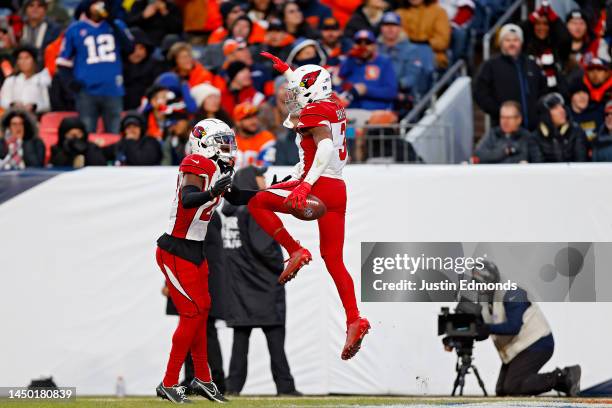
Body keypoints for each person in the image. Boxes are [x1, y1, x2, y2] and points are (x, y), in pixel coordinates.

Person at [248, 52, 370, 360]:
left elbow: (325, 146)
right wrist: (290, 72)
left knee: (257, 201)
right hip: (338, 189)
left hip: (318, 185)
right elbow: (312, 98)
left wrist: (305, 184)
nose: (293, 97)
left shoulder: (314, 111)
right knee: (334, 259)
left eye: (298, 89)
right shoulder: (334, 105)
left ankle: (294, 249)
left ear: (312, 89)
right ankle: (354, 318)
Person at [155, 118, 258, 403]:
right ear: (205, 143)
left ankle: (202, 378)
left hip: (194, 251)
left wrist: (270, 193)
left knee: (202, 312)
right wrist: (212, 191)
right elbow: (188, 198)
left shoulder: (220, 167)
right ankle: (168, 382)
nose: (229, 147)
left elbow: (236, 197)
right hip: (176, 250)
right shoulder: (195, 163)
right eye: (222, 141)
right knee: (191, 314)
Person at [221, 166, 300, 396]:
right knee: (276, 341)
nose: (264, 179)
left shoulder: (231, 211)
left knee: (240, 342)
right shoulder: (254, 209)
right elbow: (264, 247)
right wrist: (283, 263)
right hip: (264, 286)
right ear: (250, 180)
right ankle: (285, 387)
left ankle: (232, 388)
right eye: (261, 175)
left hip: (239, 287)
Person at [470, 261, 582, 397]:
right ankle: (564, 383)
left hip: (538, 342)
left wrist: (485, 328)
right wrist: (465, 333)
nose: (478, 286)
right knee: (503, 390)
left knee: (512, 387)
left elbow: (514, 327)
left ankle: (564, 376)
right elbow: (484, 331)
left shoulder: (513, 292)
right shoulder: (485, 300)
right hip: (517, 348)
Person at [56, 0, 134, 134]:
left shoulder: (117, 25)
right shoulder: (75, 29)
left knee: (114, 134)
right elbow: (62, 61)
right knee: (87, 133)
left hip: (113, 89)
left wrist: (112, 22)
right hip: (87, 91)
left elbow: (129, 47)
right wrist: (71, 83)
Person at [474, 24, 547, 130]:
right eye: (507, 40)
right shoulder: (491, 65)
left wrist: (538, 113)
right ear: (501, 43)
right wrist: (499, 111)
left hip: (533, 130)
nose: (512, 44)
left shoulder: (531, 64)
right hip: (503, 131)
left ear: (521, 43)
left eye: (515, 40)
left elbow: (543, 91)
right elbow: (479, 93)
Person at [377, 11, 434, 102]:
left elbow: (413, 77)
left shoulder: (411, 50)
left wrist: (393, 86)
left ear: (400, 28)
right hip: (375, 93)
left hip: (401, 95)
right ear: (381, 28)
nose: (390, 28)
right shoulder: (374, 48)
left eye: (394, 25)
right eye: (386, 25)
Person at [337, 30, 398, 111]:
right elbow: (338, 83)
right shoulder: (349, 61)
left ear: (374, 45)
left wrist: (367, 90)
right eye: (359, 42)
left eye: (367, 42)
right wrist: (350, 57)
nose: (363, 46)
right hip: (350, 110)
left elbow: (391, 92)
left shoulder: (384, 62)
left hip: (375, 111)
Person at [474, 101, 541, 163]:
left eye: (509, 118)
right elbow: (479, 155)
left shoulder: (527, 137)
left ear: (519, 119)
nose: (505, 121)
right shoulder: (493, 134)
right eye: (502, 117)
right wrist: (504, 151)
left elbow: (538, 161)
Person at [531, 92, 588, 162]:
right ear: (545, 114)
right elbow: (539, 166)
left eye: (562, 107)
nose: (562, 111)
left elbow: (581, 162)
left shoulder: (576, 131)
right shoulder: (536, 137)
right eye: (555, 108)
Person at [397, 0, 451, 69]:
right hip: (404, 54)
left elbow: (442, 41)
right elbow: (395, 39)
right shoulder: (399, 13)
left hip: (432, 54)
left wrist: (424, 43)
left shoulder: (439, 12)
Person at [0, 45, 51, 113]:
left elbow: (47, 105)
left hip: (34, 118)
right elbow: (3, 101)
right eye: (20, 58)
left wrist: (34, 107)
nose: (23, 61)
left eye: (27, 58)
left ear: (34, 60)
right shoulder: (11, 81)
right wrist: (12, 104)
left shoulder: (42, 80)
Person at [122, 28, 162, 111]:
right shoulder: (118, 68)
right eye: (133, 48)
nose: (137, 53)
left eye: (141, 48)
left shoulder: (156, 66)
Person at [233, 102, 276, 168]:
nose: (254, 121)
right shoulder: (228, 137)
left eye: (255, 116)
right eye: (248, 117)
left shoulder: (266, 137)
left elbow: (266, 165)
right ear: (238, 122)